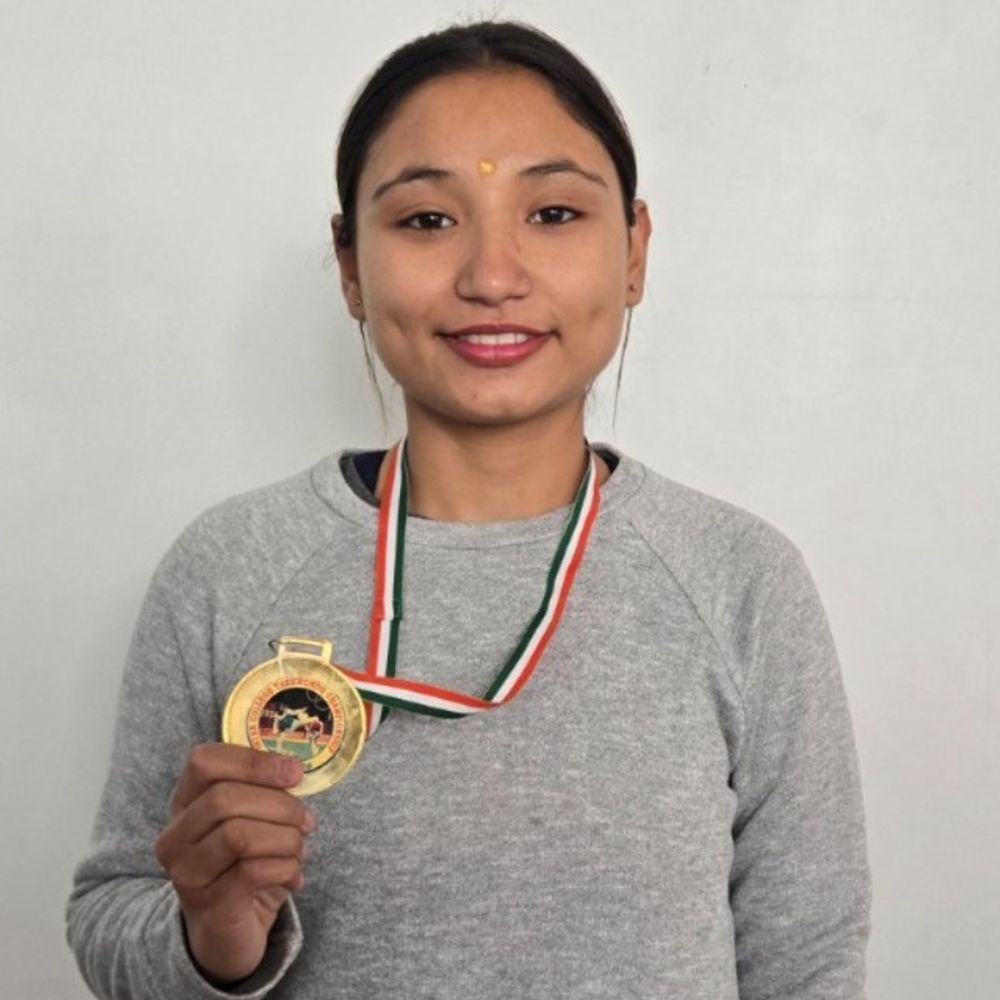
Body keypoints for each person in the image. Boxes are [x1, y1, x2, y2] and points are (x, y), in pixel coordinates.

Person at [67, 19, 870, 1000]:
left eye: (554, 213)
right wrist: (213, 935)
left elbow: (809, 966)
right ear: (349, 265)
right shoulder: (230, 566)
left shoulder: (741, 579)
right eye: (426, 220)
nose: (492, 277)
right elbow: (112, 911)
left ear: (634, 250)